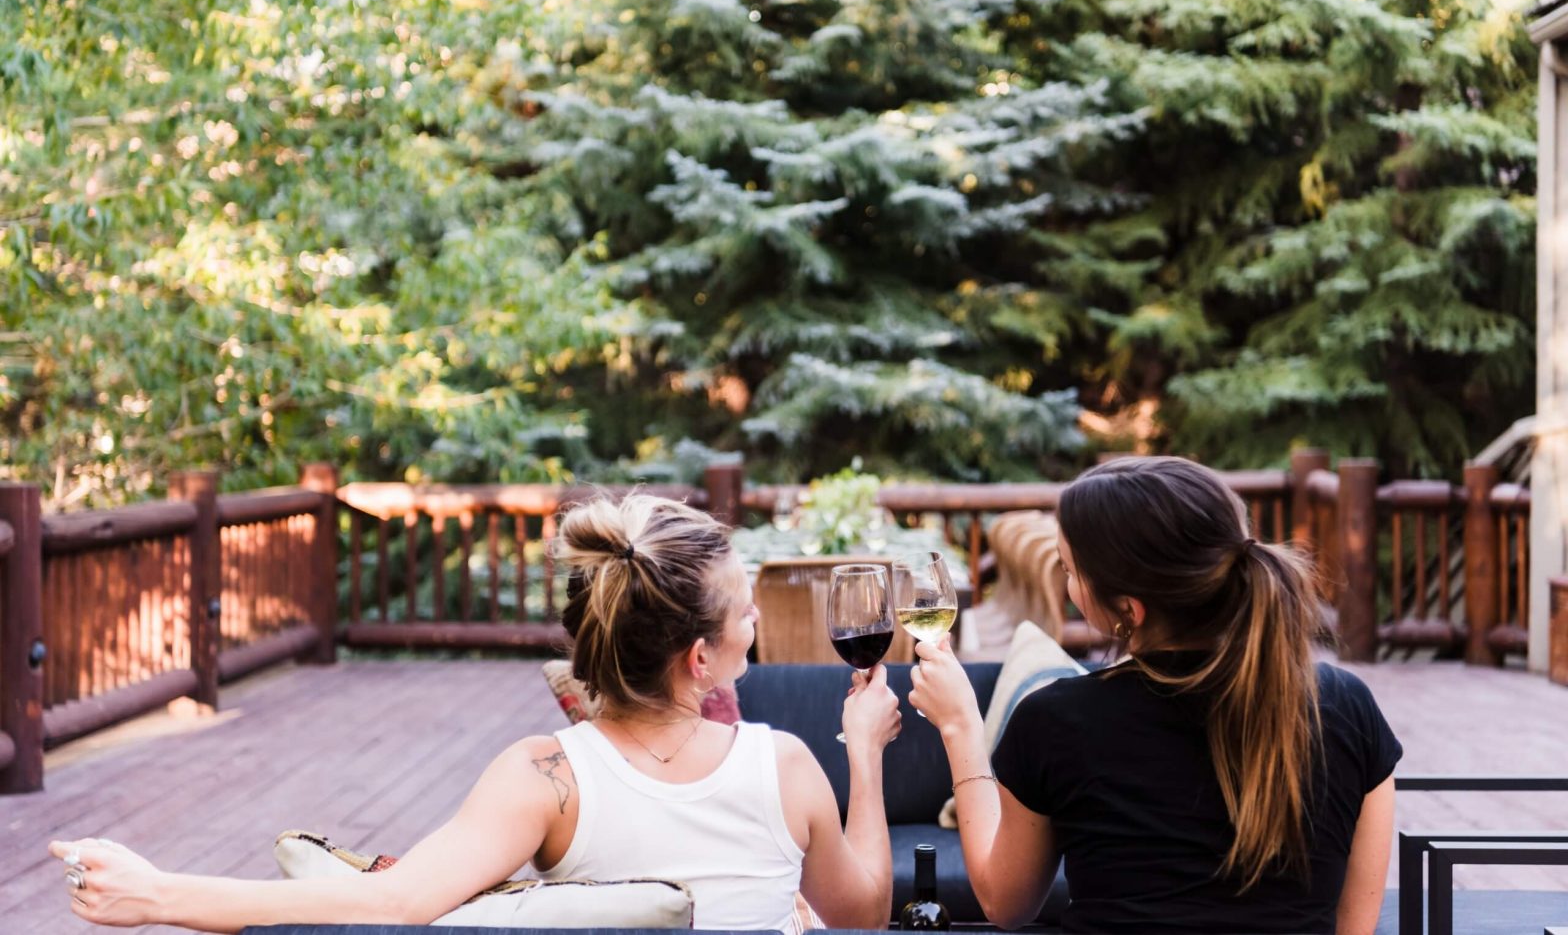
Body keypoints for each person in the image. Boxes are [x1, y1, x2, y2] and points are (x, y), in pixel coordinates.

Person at [49, 494, 902, 931]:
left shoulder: (547, 776)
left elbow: (390, 904)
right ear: (701, 659)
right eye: (745, 611)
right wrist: (863, 755)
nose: (756, 621)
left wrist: (159, 893)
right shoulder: (784, 765)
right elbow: (863, 914)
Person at [910, 456, 1401, 935]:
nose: (1068, 586)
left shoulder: (1059, 720)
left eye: (1070, 571)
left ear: (1130, 608)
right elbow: (1353, 924)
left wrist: (960, 727)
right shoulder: (1347, 706)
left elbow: (1004, 903)